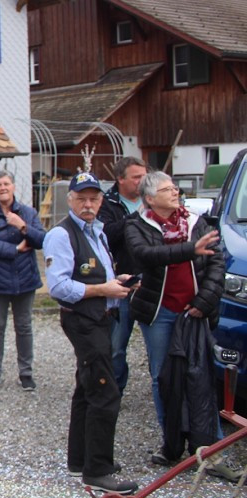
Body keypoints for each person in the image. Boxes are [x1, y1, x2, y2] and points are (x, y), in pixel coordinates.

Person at [123, 172, 226, 469]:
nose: (175, 192)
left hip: (194, 311)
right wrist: (189, 250)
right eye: (167, 189)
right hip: (160, 314)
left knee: (201, 375)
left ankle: (210, 447)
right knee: (162, 377)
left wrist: (204, 301)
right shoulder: (137, 225)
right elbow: (146, 255)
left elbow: (217, 263)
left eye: (175, 187)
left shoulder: (197, 221)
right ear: (150, 198)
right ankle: (171, 445)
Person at [44, 170, 136, 494]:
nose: (88, 204)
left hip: (100, 316)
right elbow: (58, 287)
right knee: (104, 391)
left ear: (100, 200)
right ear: (70, 200)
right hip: (83, 319)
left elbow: (97, 273)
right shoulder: (61, 234)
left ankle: (79, 459)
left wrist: (117, 282)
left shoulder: (97, 230)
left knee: (86, 386)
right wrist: (102, 290)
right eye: (81, 198)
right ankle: (98, 469)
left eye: (93, 198)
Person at [0, 170, 46, 393]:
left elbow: (42, 240)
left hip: (25, 278)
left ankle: (26, 372)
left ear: (13, 187)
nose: (3, 188)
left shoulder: (28, 212)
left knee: (24, 326)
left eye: (6, 184)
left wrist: (22, 226)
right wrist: (15, 248)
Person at [100, 156, 148, 391]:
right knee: (117, 344)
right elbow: (106, 234)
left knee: (158, 344)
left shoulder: (153, 198)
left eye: (144, 175)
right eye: (137, 177)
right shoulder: (106, 203)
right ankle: (114, 391)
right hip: (122, 283)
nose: (142, 181)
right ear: (120, 179)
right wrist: (134, 217)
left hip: (151, 283)